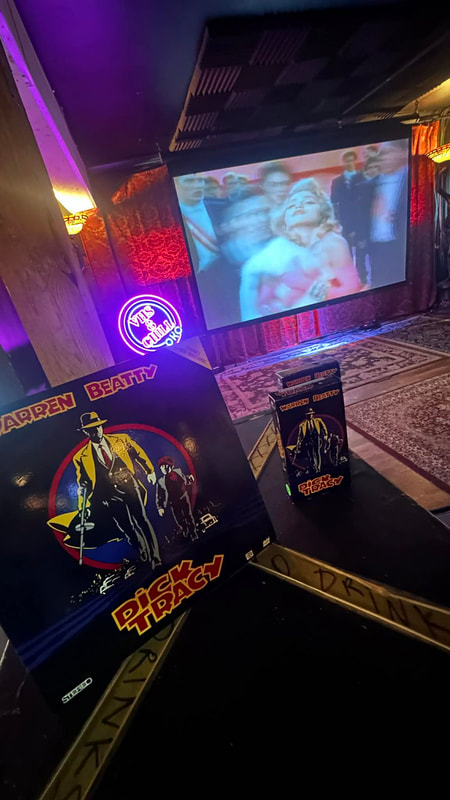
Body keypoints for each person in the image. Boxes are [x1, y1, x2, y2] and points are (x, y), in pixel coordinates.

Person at [239, 178, 361, 321]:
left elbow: (352, 291)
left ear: (322, 212)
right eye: (292, 205)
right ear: (284, 219)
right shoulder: (279, 250)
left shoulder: (333, 243)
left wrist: (307, 285)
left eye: (309, 202)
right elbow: (264, 300)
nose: (299, 206)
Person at [68, 412, 161, 568]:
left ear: (101, 426)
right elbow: (83, 483)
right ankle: (142, 552)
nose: (96, 431)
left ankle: (155, 557)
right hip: (108, 496)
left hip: (129, 487)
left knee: (142, 520)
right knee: (127, 528)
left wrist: (149, 470)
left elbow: (137, 452)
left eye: (97, 427)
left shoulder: (121, 439)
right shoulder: (80, 456)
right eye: (91, 429)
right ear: (86, 432)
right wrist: (83, 506)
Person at [196, 187, 273, 328]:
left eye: (264, 212)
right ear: (227, 226)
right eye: (251, 215)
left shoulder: (287, 257)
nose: (262, 220)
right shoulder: (208, 282)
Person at [369, 140, 409, 288]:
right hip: (377, 247)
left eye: (388, 153)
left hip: (400, 247)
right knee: (379, 286)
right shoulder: (373, 183)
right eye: (380, 155)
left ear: (403, 153)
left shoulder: (412, 178)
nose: (382, 158)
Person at [175, 174, 226, 272]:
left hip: (225, 271)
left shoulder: (221, 207)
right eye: (189, 181)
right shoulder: (168, 218)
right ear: (175, 185)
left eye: (200, 180)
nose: (197, 185)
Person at [156, 456, 198, 541]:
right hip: (173, 503)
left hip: (184, 498)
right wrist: (160, 507)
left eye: (166, 466)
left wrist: (190, 479)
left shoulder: (178, 471)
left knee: (189, 516)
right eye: (162, 467)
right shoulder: (161, 482)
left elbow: (185, 480)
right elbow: (160, 496)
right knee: (179, 520)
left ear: (171, 466)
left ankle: (194, 534)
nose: (164, 469)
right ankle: (185, 531)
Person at [354, 155, 380, 286]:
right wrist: (360, 235)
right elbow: (358, 213)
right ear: (366, 170)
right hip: (363, 229)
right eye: (371, 167)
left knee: (376, 257)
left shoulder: (383, 185)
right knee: (361, 256)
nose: (374, 170)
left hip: (378, 229)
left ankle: (376, 280)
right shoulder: (360, 187)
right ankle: (362, 280)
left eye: (376, 167)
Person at [330, 150, 361, 249]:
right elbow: (333, 200)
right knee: (347, 249)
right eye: (347, 161)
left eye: (351, 160)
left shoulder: (362, 177)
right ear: (343, 162)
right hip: (345, 221)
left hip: (361, 219)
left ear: (355, 161)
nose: (349, 163)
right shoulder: (337, 182)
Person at [291, 408, 329, 474]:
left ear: (312, 414)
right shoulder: (302, 425)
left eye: (311, 414)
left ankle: (318, 468)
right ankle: (314, 467)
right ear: (306, 416)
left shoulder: (318, 420)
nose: (310, 416)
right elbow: (300, 435)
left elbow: (324, 428)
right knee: (311, 455)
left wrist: (325, 435)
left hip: (316, 439)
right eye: (308, 415)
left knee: (317, 453)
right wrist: (298, 442)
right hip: (308, 441)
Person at [258, 161, 293, 228]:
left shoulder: (297, 207)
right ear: (262, 186)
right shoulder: (254, 210)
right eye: (274, 185)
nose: (281, 189)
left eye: (285, 183)